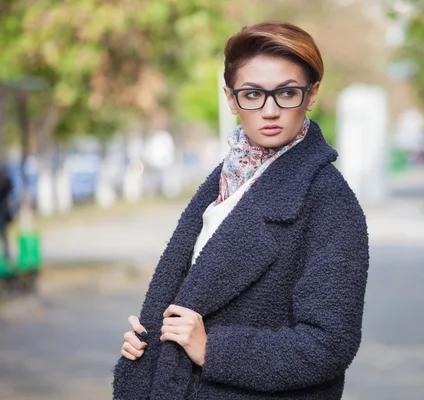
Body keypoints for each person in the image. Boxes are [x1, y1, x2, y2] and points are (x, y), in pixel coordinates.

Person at [113, 21, 369, 400]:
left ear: (311, 95)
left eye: (287, 93)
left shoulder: (328, 199)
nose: (269, 110)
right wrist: (150, 338)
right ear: (232, 99)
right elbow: (194, 298)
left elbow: (328, 344)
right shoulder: (227, 178)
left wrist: (213, 348)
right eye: (252, 94)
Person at [0, 165, 13, 261]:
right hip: (3, 212)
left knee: (4, 235)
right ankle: (6, 256)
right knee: (4, 236)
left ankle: (6, 257)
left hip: (2, 212)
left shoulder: (5, 181)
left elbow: (9, 188)